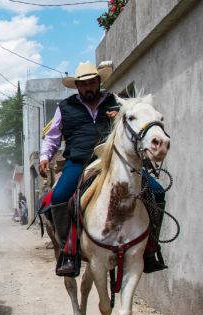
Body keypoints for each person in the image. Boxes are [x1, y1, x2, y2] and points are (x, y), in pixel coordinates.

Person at [40, 61, 166, 276]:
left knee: (157, 191)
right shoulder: (65, 107)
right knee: (59, 197)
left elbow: (133, 129)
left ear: (98, 81)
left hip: (114, 160)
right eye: (83, 84)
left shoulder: (116, 103)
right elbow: (52, 138)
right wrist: (45, 156)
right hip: (78, 163)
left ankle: (150, 249)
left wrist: (119, 119)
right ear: (77, 87)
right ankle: (68, 252)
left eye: (92, 82)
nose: (88, 87)